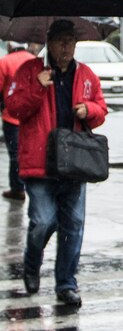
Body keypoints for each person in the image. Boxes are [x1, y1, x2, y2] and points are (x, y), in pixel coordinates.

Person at [5, 20, 107, 306]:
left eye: (70, 42)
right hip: (40, 163)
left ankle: (66, 283)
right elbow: (13, 108)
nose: (65, 48)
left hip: (75, 164)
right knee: (43, 221)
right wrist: (37, 88)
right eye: (60, 41)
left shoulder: (86, 75)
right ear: (49, 42)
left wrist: (91, 110)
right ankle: (32, 262)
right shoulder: (30, 71)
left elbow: (101, 109)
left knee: (73, 226)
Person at [1, 41, 36, 201]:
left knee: (15, 154)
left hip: (11, 117)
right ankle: (29, 183)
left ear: (10, 46)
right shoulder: (34, 61)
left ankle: (17, 187)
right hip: (31, 117)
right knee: (29, 151)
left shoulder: (5, 62)